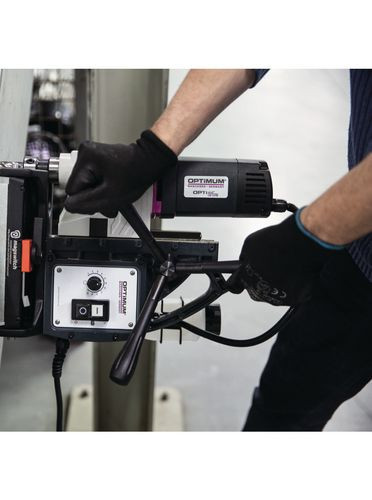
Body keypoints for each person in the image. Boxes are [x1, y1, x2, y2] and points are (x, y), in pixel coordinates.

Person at [64, 69, 372, 431]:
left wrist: (311, 233)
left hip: (348, 236)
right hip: (356, 252)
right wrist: (153, 149)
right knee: (287, 401)